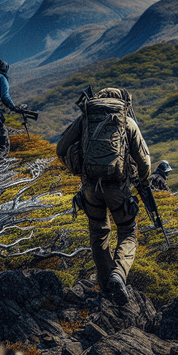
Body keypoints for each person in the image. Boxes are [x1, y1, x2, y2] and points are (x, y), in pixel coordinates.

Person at [55, 87, 151, 305]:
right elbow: (144, 161)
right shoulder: (126, 121)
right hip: (118, 188)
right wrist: (143, 183)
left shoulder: (86, 119)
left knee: (98, 235)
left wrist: (77, 169)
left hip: (89, 189)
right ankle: (119, 275)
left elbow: (61, 149)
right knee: (127, 232)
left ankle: (108, 285)